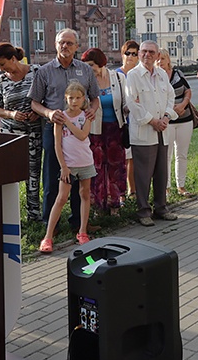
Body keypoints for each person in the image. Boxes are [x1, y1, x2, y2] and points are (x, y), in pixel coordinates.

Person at [28, 29, 100, 234]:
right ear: (55, 44)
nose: (65, 46)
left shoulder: (86, 70)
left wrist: (92, 112)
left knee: (81, 173)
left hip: (79, 130)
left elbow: (95, 97)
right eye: (61, 42)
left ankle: (79, 222)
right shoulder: (44, 71)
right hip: (55, 129)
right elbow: (34, 102)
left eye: (69, 43)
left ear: (77, 47)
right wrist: (49, 113)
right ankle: (51, 224)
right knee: (53, 175)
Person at [126, 41, 179, 225]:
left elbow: (171, 97)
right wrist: (152, 121)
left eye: (151, 52)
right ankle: (143, 211)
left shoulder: (162, 74)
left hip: (162, 130)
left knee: (161, 172)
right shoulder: (133, 76)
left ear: (158, 55)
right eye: (144, 51)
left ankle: (161, 207)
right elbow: (132, 103)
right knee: (143, 174)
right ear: (139, 54)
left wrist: (165, 117)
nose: (147, 55)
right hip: (144, 131)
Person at [39, 81, 96, 252]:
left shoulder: (86, 116)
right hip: (69, 165)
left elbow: (82, 135)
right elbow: (57, 144)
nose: (75, 101)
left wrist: (68, 123)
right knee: (61, 198)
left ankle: (82, 231)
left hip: (85, 162)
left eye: (78, 98)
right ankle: (48, 237)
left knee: (85, 194)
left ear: (83, 98)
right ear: (66, 98)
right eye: (71, 98)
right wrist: (63, 166)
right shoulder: (59, 118)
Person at [0, 42, 42, 223]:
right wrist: (11, 114)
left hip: (34, 133)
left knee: (33, 173)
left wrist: (38, 112)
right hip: (11, 134)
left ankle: (34, 215)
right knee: (9, 174)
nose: (2, 69)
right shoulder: (1, 80)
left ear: (13, 58)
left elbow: (47, 96)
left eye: (3, 64)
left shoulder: (36, 72)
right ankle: (10, 215)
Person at [82, 48, 127, 216]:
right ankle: (98, 207)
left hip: (115, 128)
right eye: (86, 65)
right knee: (97, 168)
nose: (89, 68)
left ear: (101, 63)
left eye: (91, 65)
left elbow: (125, 101)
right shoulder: (85, 81)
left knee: (116, 167)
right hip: (94, 130)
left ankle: (115, 204)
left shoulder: (118, 78)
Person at [157, 49, 195, 197]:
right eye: (158, 59)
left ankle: (181, 186)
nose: (160, 62)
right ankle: (166, 187)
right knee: (166, 155)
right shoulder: (155, 77)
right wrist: (171, 109)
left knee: (182, 154)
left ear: (168, 60)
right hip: (167, 121)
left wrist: (183, 104)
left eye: (163, 59)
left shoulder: (178, 73)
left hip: (184, 119)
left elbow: (188, 91)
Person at [118, 40, 139, 199]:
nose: (130, 56)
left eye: (134, 54)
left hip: (138, 121)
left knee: (133, 159)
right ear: (122, 54)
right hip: (122, 123)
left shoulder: (139, 74)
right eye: (128, 53)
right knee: (122, 160)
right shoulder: (117, 75)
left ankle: (133, 191)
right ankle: (120, 193)